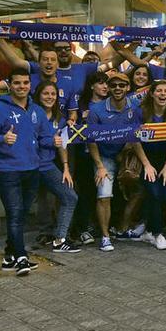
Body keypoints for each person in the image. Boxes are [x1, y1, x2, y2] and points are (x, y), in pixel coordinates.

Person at [0, 69, 49, 275]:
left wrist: (53, 141)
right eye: (17, 83)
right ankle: (21, 256)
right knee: (15, 214)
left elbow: (44, 136)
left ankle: (9, 255)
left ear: (30, 85)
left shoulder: (37, 109)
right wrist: (2, 139)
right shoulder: (0, 107)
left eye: (25, 83)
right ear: (9, 84)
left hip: (32, 170)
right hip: (7, 170)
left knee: (21, 214)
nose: (22, 87)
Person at [87, 72, 140, 252]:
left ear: (128, 88)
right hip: (104, 157)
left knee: (142, 189)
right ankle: (105, 237)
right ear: (108, 88)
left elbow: (138, 132)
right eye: (114, 85)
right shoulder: (96, 110)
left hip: (127, 155)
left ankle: (123, 228)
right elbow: (91, 140)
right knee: (104, 194)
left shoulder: (136, 106)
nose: (117, 88)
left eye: (121, 85)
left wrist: (126, 151)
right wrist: (100, 166)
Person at [33, 81, 80, 253]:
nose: (50, 97)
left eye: (53, 94)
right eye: (46, 93)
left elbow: (62, 144)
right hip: (29, 167)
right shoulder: (31, 114)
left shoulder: (59, 118)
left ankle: (60, 239)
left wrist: (66, 168)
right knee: (20, 206)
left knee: (69, 197)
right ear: (38, 95)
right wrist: (48, 142)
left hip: (47, 166)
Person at [132, 80, 166, 250]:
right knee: (154, 194)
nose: (163, 94)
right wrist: (147, 165)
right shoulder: (140, 112)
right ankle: (157, 234)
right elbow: (135, 140)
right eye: (159, 91)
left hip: (165, 159)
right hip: (145, 158)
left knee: (165, 195)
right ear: (152, 93)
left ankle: (148, 230)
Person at [68, 71, 109, 245]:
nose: (105, 86)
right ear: (92, 85)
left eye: (106, 83)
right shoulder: (82, 105)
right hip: (84, 153)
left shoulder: (110, 104)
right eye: (100, 83)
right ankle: (83, 228)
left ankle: (100, 225)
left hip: (106, 153)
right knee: (85, 190)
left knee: (102, 192)